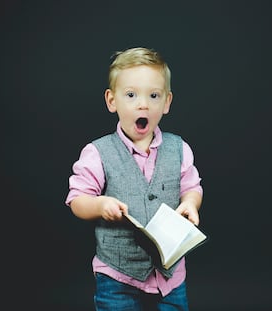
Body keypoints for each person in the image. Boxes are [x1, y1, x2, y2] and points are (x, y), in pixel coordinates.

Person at [65, 47, 203, 311]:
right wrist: (100, 205)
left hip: (170, 277)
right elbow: (77, 200)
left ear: (167, 103)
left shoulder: (179, 148)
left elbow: (192, 186)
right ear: (111, 101)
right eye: (131, 95)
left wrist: (191, 203)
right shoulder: (98, 152)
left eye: (154, 95)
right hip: (118, 276)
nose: (143, 104)